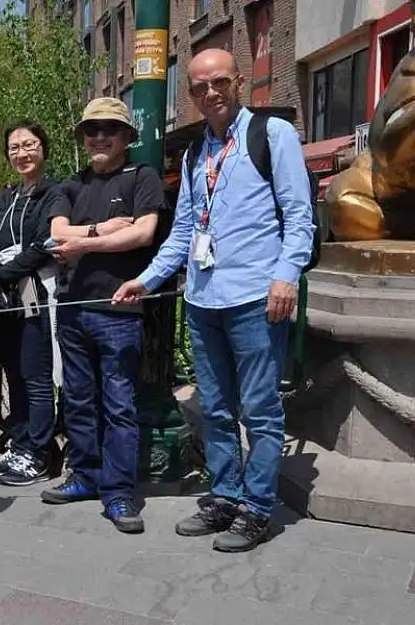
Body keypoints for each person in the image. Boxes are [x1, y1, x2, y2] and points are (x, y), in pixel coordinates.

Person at [113, 49, 315, 552]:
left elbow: (299, 215)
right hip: (203, 300)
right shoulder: (194, 153)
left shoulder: (273, 135)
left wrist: (286, 276)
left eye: (219, 82)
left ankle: (258, 508)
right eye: (199, 88)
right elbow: (183, 232)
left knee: (261, 411)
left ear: (239, 81)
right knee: (218, 409)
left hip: (256, 297)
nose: (209, 93)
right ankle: (225, 496)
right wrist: (150, 279)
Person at [38, 100, 164, 535]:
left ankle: (119, 492)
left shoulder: (142, 177)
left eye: (110, 128)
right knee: (77, 400)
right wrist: (105, 230)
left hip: (119, 311)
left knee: (119, 405)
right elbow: (56, 235)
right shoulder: (71, 184)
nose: (99, 137)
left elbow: (144, 233)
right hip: (72, 309)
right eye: (91, 130)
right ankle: (84, 476)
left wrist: (83, 241)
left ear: (128, 136)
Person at [0, 121, 66, 487]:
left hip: (34, 298)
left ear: (43, 148)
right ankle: (22, 441)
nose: (22, 153)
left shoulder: (56, 193)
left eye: (29, 145)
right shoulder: (7, 195)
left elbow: (43, 247)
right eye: (14, 147)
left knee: (36, 377)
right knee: (14, 376)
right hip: (3, 303)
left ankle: (42, 451)